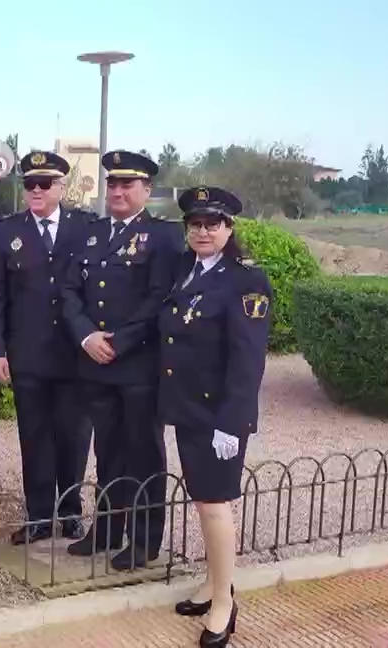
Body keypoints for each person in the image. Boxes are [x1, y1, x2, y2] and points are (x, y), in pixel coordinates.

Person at [61, 150, 184, 568]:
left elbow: (159, 298)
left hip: (137, 365)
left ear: (146, 190)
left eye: (126, 185)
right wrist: (85, 337)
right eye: (112, 184)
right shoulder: (91, 233)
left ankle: (145, 541)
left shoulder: (163, 237)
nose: (117, 191)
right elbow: (69, 292)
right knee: (108, 451)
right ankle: (108, 529)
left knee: (143, 452)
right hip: (94, 362)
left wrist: (121, 341)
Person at [160, 186, 271, 647]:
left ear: (229, 228)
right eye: (195, 224)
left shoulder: (245, 280)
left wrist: (233, 421)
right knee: (203, 501)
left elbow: (248, 360)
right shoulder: (187, 269)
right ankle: (212, 584)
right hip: (188, 407)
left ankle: (225, 603)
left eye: (212, 223)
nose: (202, 231)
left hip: (217, 413)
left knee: (215, 504)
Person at [0, 150, 92, 545]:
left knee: (75, 436)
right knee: (35, 436)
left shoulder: (86, 228)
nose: (37, 191)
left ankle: (71, 512)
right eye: (30, 184)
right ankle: (40, 516)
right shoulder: (5, 232)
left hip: (75, 355)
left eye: (45, 184)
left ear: (62, 187)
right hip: (27, 354)